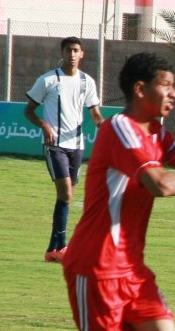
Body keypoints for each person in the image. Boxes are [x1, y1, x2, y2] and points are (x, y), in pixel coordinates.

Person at [62, 52, 175, 331]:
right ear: (140, 89)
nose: (174, 94)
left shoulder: (157, 132)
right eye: (166, 85)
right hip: (97, 268)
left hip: (133, 269)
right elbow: (160, 184)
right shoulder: (120, 127)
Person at [24, 36, 104, 263]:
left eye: (75, 50)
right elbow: (28, 111)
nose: (71, 54)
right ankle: (63, 247)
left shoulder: (87, 82)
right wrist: (44, 125)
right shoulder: (48, 80)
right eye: (68, 50)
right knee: (66, 193)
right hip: (55, 146)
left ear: (82, 54)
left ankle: (53, 249)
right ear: (62, 53)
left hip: (76, 146)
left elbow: (95, 113)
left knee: (66, 198)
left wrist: (105, 127)